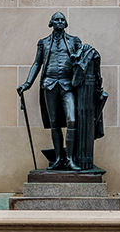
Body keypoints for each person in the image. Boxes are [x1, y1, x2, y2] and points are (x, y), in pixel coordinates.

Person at [18, 12, 105, 171]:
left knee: (72, 120)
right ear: (51, 23)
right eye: (56, 19)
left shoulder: (74, 41)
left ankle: (70, 160)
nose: (59, 22)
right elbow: (37, 64)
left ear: (65, 23)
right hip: (49, 84)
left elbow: (84, 59)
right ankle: (58, 159)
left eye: (62, 19)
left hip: (67, 85)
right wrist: (27, 83)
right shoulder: (43, 43)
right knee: (54, 123)